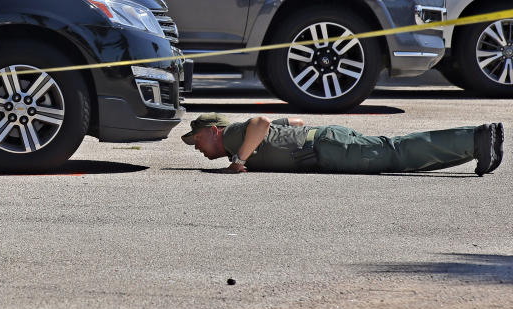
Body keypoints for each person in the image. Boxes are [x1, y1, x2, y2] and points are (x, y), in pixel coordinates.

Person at [183, 113, 504, 176]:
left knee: (396, 153)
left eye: (196, 140)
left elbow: (261, 122)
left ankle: (475, 138)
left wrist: (239, 159)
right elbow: (290, 122)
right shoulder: (236, 141)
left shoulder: (234, 135)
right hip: (324, 141)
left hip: (325, 149)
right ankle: (475, 146)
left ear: (213, 130)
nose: (196, 148)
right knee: (397, 157)